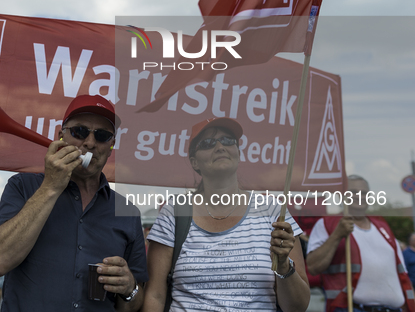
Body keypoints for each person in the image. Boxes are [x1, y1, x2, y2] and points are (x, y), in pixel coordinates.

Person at [0, 95, 148, 311]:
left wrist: (130, 289)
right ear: (61, 137)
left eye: (102, 136)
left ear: (111, 146)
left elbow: (133, 305)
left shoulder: (127, 212)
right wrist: (51, 187)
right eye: (79, 132)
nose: (90, 143)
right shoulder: (22, 186)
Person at [143, 117, 310, 312]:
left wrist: (283, 266)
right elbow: (155, 294)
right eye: (207, 143)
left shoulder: (272, 210)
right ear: (194, 162)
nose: (220, 147)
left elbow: (297, 307)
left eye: (228, 140)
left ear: (238, 153)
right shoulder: (174, 212)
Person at [306, 175, 415, 312]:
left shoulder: (382, 226)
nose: (359, 196)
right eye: (353, 193)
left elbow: (402, 273)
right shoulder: (328, 224)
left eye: (363, 193)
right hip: (351, 308)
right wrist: (337, 235)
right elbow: (313, 266)